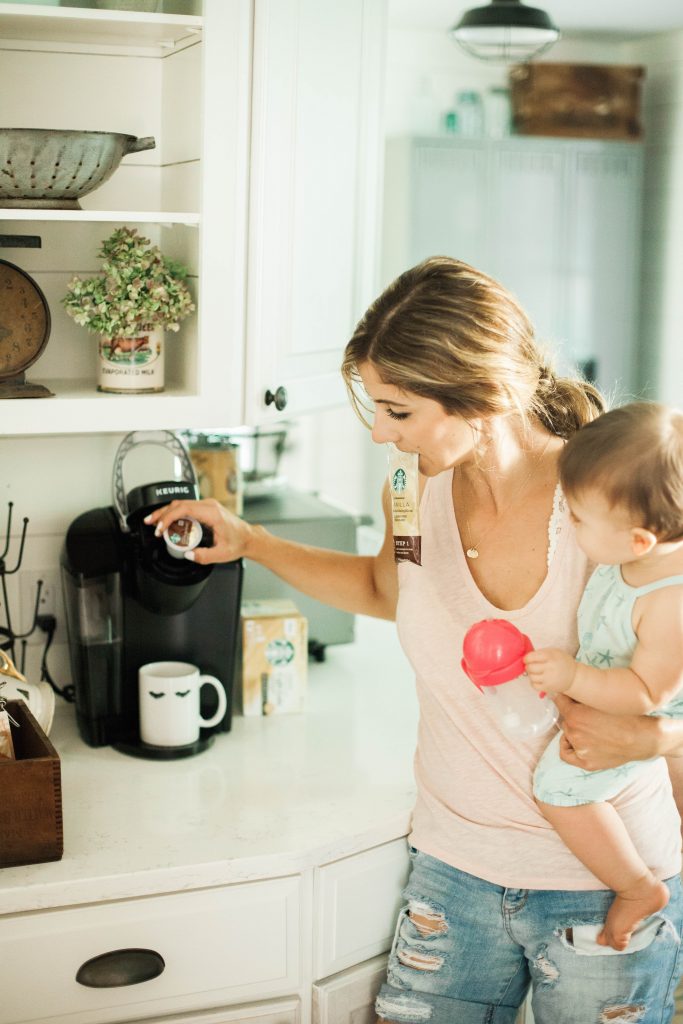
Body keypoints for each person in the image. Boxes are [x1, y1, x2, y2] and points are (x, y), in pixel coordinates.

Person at [146, 256, 683, 1023]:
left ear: (484, 395)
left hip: (609, 877)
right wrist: (251, 542)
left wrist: (655, 737)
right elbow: (381, 590)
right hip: (454, 873)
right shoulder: (410, 488)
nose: (378, 433)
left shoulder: (601, 497)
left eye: (398, 411)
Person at [523, 402, 683, 954]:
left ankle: (637, 887)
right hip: (624, 699)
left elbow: (646, 694)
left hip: (648, 718)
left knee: (558, 790)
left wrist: (573, 676)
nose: (568, 524)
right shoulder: (633, 561)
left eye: (579, 519)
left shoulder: (669, 601)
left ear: (640, 540)